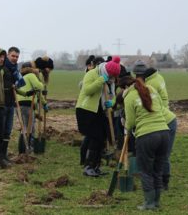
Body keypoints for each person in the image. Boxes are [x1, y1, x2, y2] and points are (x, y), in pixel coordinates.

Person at [123, 76, 169, 210]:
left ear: (126, 87)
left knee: (145, 170)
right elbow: (160, 107)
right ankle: (156, 202)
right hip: (164, 132)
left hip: (146, 136)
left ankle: (149, 203)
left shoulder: (129, 97)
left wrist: (126, 128)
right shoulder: (151, 89)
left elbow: (130, 121)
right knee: (157, 170)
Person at [133, 60, 177, 190]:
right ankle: (162, 182)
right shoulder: (158, 77)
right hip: (165, 115)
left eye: (137, 76)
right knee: (163, 155)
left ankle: (163, 182)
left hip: (163, 119)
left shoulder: (150, 84)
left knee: (163, 156)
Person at [75, 56, 121, 177]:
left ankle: (96, 166)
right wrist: (100, 80)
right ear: (107, 71)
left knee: (101, 139)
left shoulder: (110, 80)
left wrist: (112, 102)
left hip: (100, 111)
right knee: (95, 137)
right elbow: (87, 90)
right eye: (111, 76)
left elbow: (112, 94)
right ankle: (88, 166)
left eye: (114, 77)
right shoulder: (92, 74)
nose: (112, 79)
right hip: (86, 110)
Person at [2, 47, 25, 163]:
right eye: (13, 56)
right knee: (1, 131)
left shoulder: (15, 69)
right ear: (7, 55)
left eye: (17, 56)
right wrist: (9, 86)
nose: (15, 58)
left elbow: (20, 83)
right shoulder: (4, 68)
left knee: (8, 131)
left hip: (11, 103)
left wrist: (16, 86)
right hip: (2, 104)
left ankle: (4, 155)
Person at [16, 65, 47, 151]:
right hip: (27, 104)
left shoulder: (21, 77)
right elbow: (39, 87)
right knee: (30, 128)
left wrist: (44, 103)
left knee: (24, 127)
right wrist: (41, 83)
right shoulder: (31, 75)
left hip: (18, 104)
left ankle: (22, 149)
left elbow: (37, 93)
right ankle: (28, 147)